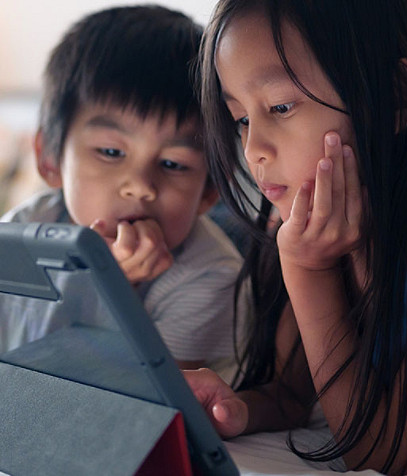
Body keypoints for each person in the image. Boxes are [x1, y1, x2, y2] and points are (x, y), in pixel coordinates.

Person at [184, 0, 407, 474]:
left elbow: (385, 452)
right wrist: (237, 410)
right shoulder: (310, 226)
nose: (254, 148)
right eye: (241, 118)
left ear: (397, 95)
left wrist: (307, 269)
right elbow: (292, 393)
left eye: (280, 106)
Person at [0, 5, 243, 372]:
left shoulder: (210, 275)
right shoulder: (26, 228)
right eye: (111, 152)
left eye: (174, 164)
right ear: (50, 159)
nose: (140, 186)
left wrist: (113, 290)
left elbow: (143, 407)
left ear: (210, 191)